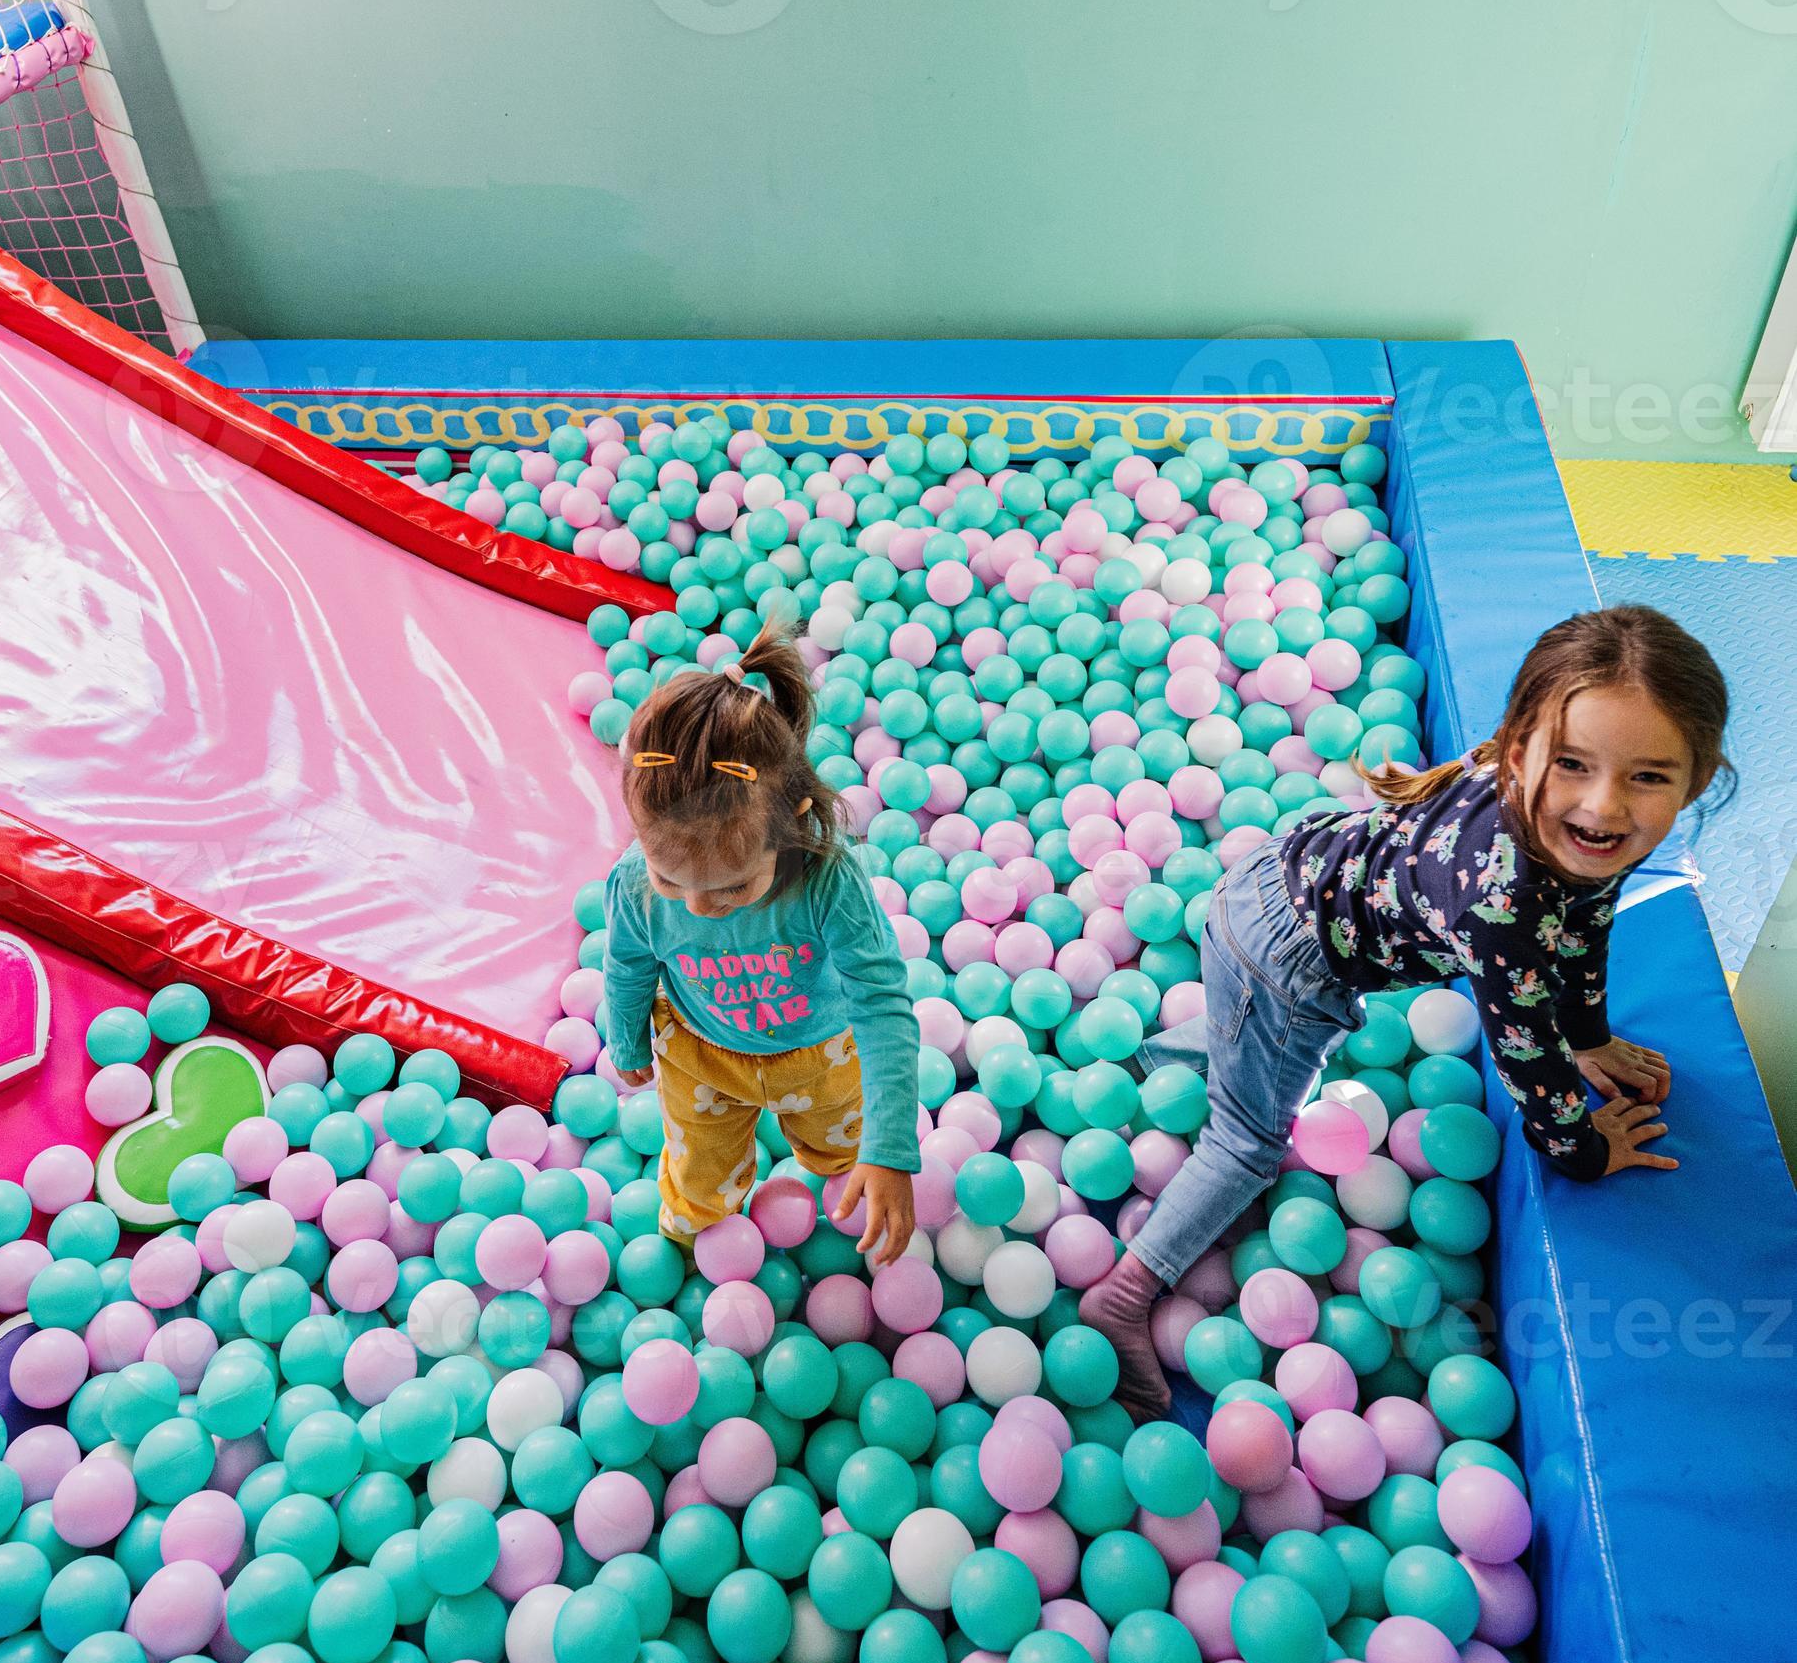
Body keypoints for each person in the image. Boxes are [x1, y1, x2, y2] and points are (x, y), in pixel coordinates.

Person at [1082, 604, 1733, 1414]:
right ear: (1524, 744)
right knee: (1250, 1144)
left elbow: (1588, 922)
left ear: (1696, 779)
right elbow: (1526, 1057)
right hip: (1287, 960)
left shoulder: (1554, 819)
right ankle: (1125, 1293)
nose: (1603, 805)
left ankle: (1193, 1047)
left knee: (1255, 1033)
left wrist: (1591, 1037)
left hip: (1278, 884)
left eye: (1647, 777)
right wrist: (1585, 1149)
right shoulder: (1508, 904)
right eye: (1574, 764)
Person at [600, 614, 920, 1263]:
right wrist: (626, 1034)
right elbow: (628, 964)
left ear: (793, 826)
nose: (697, 908)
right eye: (671, 878)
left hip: (821, 1056)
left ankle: (843, 1178)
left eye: (730, 889)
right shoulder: (635, 879)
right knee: (698, 1177)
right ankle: (694, 1230)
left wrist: (889, 1152)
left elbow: (882, 1006)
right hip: (701, 1058)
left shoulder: (827, 879)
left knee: (842, 1153)